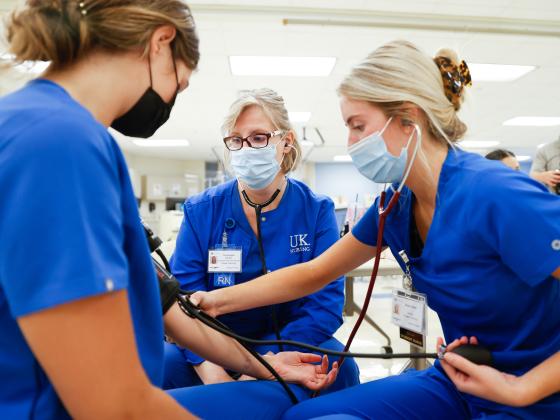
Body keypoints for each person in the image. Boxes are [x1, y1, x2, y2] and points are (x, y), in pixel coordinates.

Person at [0, 1, 336, 419]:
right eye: (182, 83)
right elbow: (112, 402)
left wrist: (261, 366)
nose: (173, 98)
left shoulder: (66, 134)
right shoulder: (59, 144)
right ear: (161, 42)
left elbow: (168, 305)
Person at [192, 40, 560, 419]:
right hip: (461, 380)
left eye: (358, 126)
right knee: (303, 417)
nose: (351, 143)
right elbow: (314, 273)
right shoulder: (396, 206)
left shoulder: (495, 193)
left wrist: (523, 388)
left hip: (535, 396)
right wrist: (213, 301)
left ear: (408, 118)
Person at [163, 88, 359, 392]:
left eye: (258, 138)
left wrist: (265, 364)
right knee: (158, 364)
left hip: (290, 341)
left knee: (340, 367)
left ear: (286, 142)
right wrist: (216, 376)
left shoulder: (316, 210)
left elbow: (325, 303)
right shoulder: (201, 211)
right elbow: (186, 303)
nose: (245, 149)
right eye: (236, 140)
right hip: (213, 346)